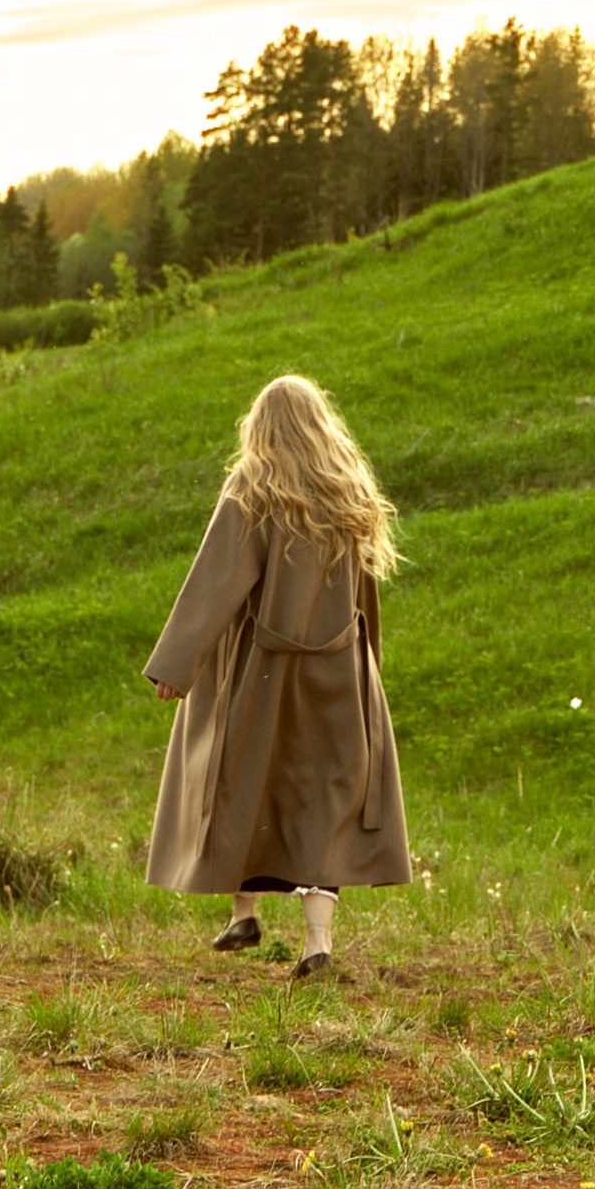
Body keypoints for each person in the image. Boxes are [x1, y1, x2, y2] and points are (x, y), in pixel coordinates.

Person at [142, 372, 409, 978]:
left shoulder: (253, 488)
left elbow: (216, 581)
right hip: (339, 673)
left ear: (260, 427)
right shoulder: (350, 492)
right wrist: (369, 671)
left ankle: (245, 913)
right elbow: (367, 595)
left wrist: (177, 665)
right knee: (324, 806)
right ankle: (318, 945)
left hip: (262, 672)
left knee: (240, 782)